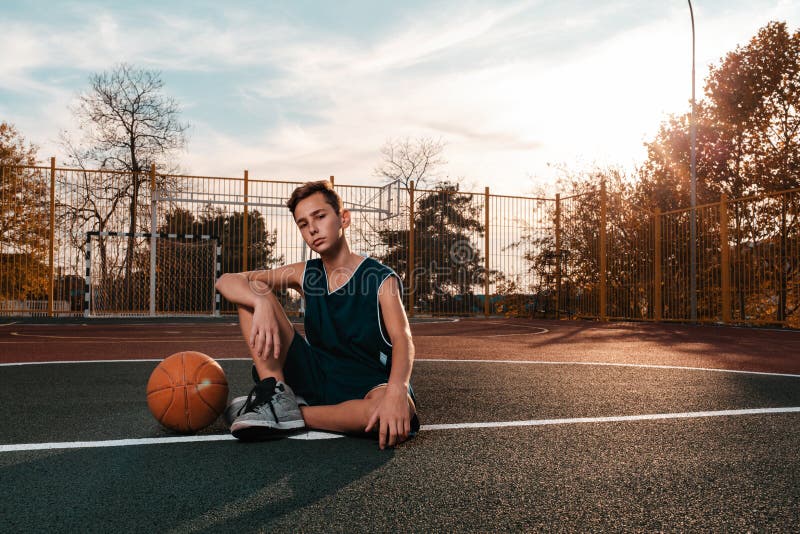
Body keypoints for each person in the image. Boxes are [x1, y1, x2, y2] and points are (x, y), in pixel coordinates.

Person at [214, 180, 418, 449]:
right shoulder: (305, 273)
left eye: (320, 216)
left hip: (369, 383)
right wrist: (261, 299)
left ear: (343, 219)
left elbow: (403, 339)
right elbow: (227, 280)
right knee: (251, 292)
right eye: (302, 223)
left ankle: (290, 413)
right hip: (316, 374)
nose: (312, 228)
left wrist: (397, 391)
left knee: (386, 415)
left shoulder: (380, 279)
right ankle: (274, 392)